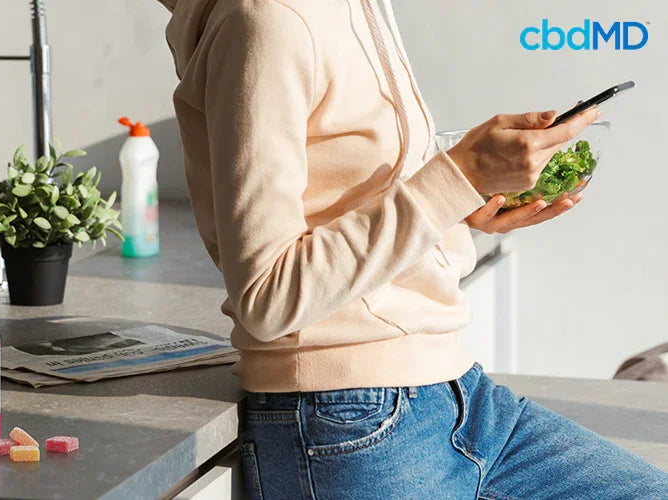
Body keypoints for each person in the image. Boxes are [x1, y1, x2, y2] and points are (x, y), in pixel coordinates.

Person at [155, 0, 668, 498]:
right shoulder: (265, 20)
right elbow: (268, 295)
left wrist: (465, 200)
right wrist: (460, 174)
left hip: (458, 393)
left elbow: (344, 198)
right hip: (349, 420)